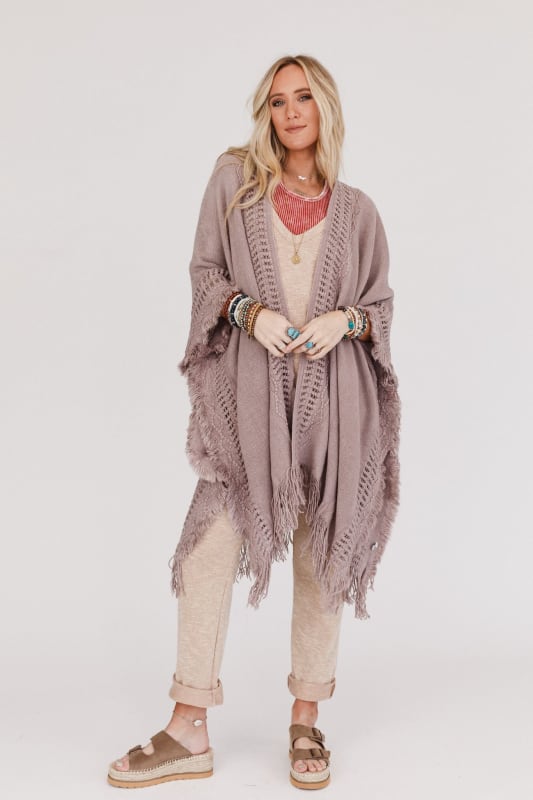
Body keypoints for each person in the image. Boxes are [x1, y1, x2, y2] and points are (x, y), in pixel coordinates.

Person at [107, 53, 401, 791]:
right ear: (265, 113)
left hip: (337, 411)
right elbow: (205, 274)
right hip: (248, 409)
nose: (290, 111)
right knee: (207, 551)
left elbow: (380, 307)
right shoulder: (234, 183)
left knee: (322, 557)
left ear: (325, 107)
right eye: (277, 101)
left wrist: (344, 321)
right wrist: (250, 312)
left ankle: (306, 717)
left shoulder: (358, 211)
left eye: (303, 97)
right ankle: (188, 726)